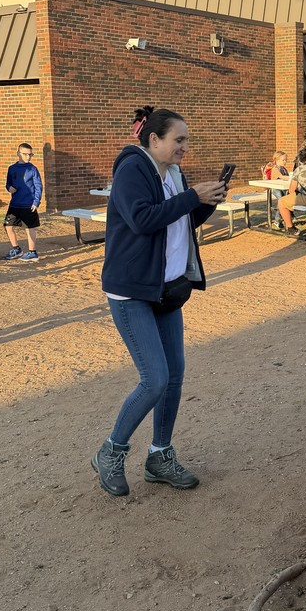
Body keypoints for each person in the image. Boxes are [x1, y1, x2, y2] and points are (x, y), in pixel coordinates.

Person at [92, 107, 228, 498]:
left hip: (167, 289)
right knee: (154, 378)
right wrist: (190, 197)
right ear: (154, 139)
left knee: (174, 375)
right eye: (179, 140)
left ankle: (159, 456)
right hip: (133, 290)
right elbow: (141, 219)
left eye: (186, 140)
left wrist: (207, 201)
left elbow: (178, 220)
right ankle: (111, 452)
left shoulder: (173, 173)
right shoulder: (133, 169)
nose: (185, 146)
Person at [3, 143, 43, 261]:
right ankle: (16, 249)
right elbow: (8, 183)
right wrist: (9, 188)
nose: (28, 157)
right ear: (18, 154)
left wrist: (36, 202)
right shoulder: (12, 168)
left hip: (28, 204)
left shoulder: (33, 169)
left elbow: (38, 186)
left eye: (30, 155)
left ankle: (32, 252)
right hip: (15, 203)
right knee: (8, 226)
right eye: (25, 154)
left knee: (29, 227)